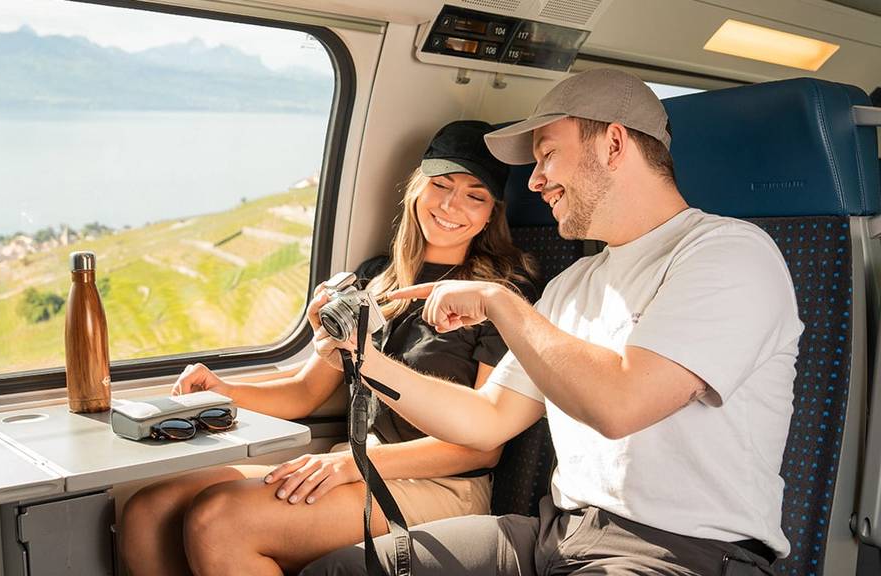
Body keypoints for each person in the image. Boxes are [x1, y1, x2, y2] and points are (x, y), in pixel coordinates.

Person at [302, 68, 802, 576]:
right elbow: (485, 420)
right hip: (557, 533)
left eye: (547, 155)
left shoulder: (728, 254)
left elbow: (620, 405)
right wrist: (361, 356)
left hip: (680, 552)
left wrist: (501, 303)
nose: (535, 180)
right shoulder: (574, 282)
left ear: (613, 143)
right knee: (340, 570)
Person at [119, 120, 539, 576]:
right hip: (354, 458)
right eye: (440, 185)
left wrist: (348, 466)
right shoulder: (377, 278)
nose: (451, 205)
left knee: (222, 518)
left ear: (491, 212)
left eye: (475, 195)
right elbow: (305, 391)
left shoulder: (499, 294)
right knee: (149, 511)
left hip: (441, 481)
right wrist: (220, 390)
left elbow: (481, 449)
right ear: (418, 188)